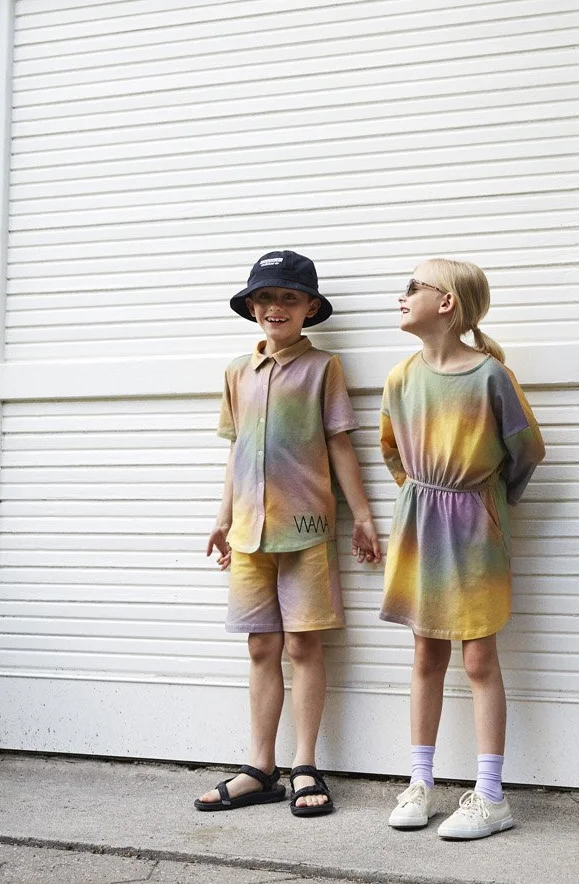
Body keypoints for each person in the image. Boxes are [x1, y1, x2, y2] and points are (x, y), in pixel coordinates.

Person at [194, 250, 381, 818]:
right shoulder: (235, 372)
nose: (277, 307)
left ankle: (305, 764)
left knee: (303, 645)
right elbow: (235, 451)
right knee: (261, 646)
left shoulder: (324, 369)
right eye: (267, 297)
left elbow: (340, 445)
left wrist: (365, 517)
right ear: (252, 307)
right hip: (250, 534)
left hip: (305, 532)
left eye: (290, 298)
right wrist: (223, 517)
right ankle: (261, 767)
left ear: (310, 308)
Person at [379, 259, 545, 840]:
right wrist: (425, 498)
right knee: (426, 654)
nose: (401, 296)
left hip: (476, 530)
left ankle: (491, 796)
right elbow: (392, 451)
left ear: (446, 303)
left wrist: (487, 502)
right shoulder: (400, 378)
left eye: (412, 288)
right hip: (421, 527)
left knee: (478, 659)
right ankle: (420, 782)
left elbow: (527, 450)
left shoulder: (491, 376)